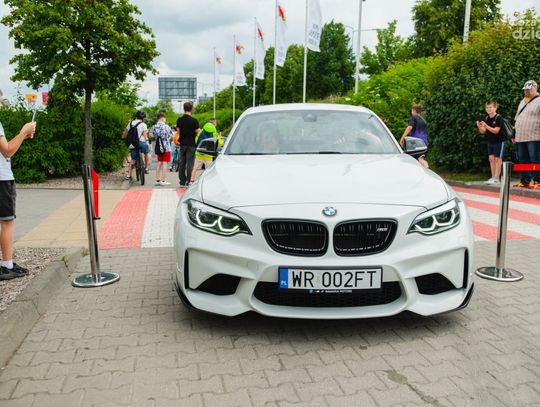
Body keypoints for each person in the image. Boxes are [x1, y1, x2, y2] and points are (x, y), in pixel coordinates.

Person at [0, 120, 36, 280]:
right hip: (2, 179)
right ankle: (7, 266)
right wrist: (23, 132)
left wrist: (24, 135)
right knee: (7, 222)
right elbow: (7, 151)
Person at [514, 80, 540, 189]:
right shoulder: (522, 101)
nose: (526, 91)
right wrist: (513, 134)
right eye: (525, 89)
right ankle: (524, 181)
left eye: (529, 89)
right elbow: (517, 118)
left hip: (534, 136)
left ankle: (538, 181)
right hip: (520, 136)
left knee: (535, 160)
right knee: (523, 160)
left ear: (535, 88)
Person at [477, 99, 504, 185]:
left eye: (490, 107)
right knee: (491, 159)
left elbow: (496, 131)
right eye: (487, 107)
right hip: (490, 142)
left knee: (497, 159)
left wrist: (486, 126)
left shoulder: (498, 118)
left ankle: (496, 178)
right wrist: (479, 126)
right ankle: (493, 177)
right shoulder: (486, 118)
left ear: (495, 108)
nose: (488, 109)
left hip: (499, 141)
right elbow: (483, 131)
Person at [191, 118, 222, 183]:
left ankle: (191, 181)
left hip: (199, 153)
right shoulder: (214, 132)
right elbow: (219, 142)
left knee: (195, 168)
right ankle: (207, 182)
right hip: (208, 154)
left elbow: (196, 140)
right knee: (208, 170)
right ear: (214, 124)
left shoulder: (201, 130)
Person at [176, 102, 200, 187]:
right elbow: (198, 131)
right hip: (191, 144)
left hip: (182, 143)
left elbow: (178, 131)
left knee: (182, 162)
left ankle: (182, 182)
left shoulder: (179, 120)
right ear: (191, 109)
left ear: (184, 109)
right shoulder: (194, 121)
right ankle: (189, 181)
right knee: (190, 163)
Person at [124, 111, 150, 180]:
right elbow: (145, 135)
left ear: (136, 116)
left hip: (132, 143)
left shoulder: (130, 123)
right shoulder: (143, 124)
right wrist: (147, 141)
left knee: (133, 159)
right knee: (147, 153)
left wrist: (123, 138)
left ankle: (129, 175)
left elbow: (125, 132)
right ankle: (146, 168)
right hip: (141, 142)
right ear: (143, 118)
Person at [152, 112, 173, 186]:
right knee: (165, 163)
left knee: (159, 162)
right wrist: (167, 139)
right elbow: (171, 136)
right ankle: (163, 180)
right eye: (165, 118)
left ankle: (157, 180)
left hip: (159, 147)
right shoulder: (166, 126)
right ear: (162, 118)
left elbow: (154, 136)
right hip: (166, 147)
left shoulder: (154, 127)